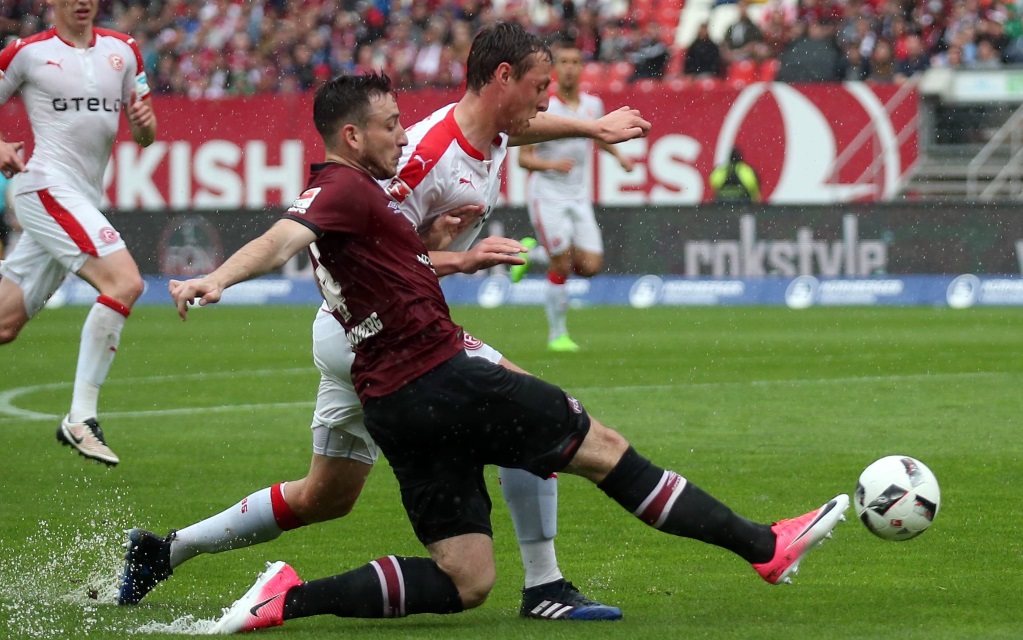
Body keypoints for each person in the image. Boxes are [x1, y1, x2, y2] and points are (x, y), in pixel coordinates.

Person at [168, 72, 848, 634]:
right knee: (602, 448)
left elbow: (383, 261)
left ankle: (285, 598)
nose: (401, 134)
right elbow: (281, 238)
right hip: (440, 376)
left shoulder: (367, 199)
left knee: (465, 579)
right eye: (389, 124)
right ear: (352, 135)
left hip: (394, 403)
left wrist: (448, 251)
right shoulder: (342, 188)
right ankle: (763, 547)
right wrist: (217, 277)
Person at [120, 22, 652, 621]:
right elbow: (351, 251)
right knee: (524, 411)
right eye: (538, 87)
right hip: (371, 335)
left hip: (351, 332)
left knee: (326, 495)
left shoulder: (492, 129)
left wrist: (591, 128)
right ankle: (545, 585)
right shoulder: (420, 161)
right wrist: (219, 277)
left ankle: (165, 550)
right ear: (502, 82)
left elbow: (521, 131)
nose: (545, 104)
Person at [0, 0, 157, 466]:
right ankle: (80, 417)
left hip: (82, 198)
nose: (83, 2)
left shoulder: (124, 50)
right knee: (125, 282)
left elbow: (144, 131)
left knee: (4, 324)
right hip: (44, 185)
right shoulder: (26, 53)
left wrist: (144, 128)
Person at [513, 39, 634, 352]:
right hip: (547, 195)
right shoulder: (544, 107)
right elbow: (523, 158)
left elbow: (599, 136)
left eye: (574, 62)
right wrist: (551, 164)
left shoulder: (593, 106)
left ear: (582, 68)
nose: (569, 68)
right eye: (563, 62)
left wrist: (618, 156)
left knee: (591, 265)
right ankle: (557, 334)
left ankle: (530, 254)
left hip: (578, 197)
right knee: (562, 264)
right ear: (555, 71)